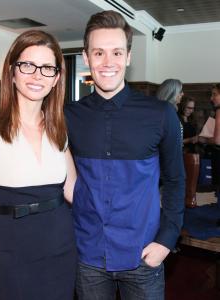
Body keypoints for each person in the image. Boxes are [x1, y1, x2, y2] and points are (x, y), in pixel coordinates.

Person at [65, 10, 185, 300]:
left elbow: (175, 180)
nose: (108, 63)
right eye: (99, 53)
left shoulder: (160, 114)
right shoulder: (68, 115)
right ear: (86, 56)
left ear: (129, 56)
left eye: (117, 52)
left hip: (143, 255)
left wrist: (166, 241)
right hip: (88, 256)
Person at [0, 30, 77, 300]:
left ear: (57, 78)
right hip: (13, 252)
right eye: (27, 65)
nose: (38, 75)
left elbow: (74, 191)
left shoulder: (58, 128)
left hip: (62, 247)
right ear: (12, 71)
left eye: (47, 68)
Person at [178, 96, 200, 207]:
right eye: (188, 108)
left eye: (192, 108)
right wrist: (190, 140)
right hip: (180, 153)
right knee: (182, 179)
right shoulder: (177, 119)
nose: (191, 110)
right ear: (182, 106)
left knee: (191, 179)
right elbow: (175, 141)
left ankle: (190, 198)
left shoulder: (191, 119)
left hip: (191, 152)